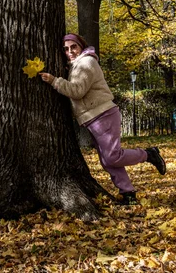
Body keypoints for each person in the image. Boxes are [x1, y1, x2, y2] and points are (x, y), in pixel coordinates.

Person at [40, 33, 166, 205]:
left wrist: (54, 81)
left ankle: (149, 154)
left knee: (113, 156)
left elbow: (77, 91)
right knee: (107, 161)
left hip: (103, 115)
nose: (70, 51)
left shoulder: (87, 63)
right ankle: (128, 194)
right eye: (66, 49)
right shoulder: (76, 65)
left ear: (81, 46)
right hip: (93, 118)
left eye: (73, 47)